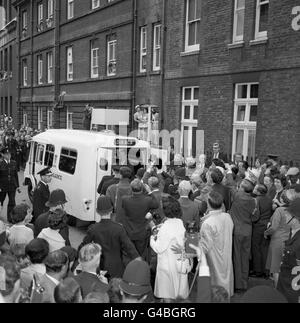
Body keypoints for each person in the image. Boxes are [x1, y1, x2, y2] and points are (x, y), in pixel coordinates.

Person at [78, 196, 140, 279]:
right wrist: (138, 259)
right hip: (117, 268)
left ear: (97, 211)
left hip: (99, 267)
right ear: (111, 210)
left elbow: (83, 246)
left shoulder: (93, 229)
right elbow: (129, 248)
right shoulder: (119, 228)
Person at [150, 195, 189, 301]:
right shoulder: (180, 223)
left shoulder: (165, 227)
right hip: (179, 263)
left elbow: (159, 248)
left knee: (167, 295)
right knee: (178, 293)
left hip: (167, 266)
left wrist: (152, 238)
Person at [198, 191, 234, 297]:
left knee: (216, 285)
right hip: (226, 254)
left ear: (209, 204)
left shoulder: (207, 223)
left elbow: (205, 246)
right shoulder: (227, 217)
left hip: (214, 258)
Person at [264, 189, 300, 287]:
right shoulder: (295, 211)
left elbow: (273, 227)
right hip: (289, 241)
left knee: (276, 269)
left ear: (282, 199)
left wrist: (266, 233)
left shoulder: (279, 210)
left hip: (277, 241)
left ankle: (277, 291)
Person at [121, 179, 159, 259]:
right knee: (140, 255)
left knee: (130, 255)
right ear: (142, 189)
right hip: (142, 233)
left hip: (129, 232)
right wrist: (150, 192)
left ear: (131, 189)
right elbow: (156, 204)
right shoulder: (147, 200)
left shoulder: (125, 199)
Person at [230, 179, 256, 292]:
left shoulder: (237, 196)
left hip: (237, 230)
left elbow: (230, 185)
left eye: (240, 186)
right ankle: (244, 283)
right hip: (248, 230)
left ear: (242, 189)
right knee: (245, 257)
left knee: (237, 256)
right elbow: (255, 217)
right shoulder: (254, 201)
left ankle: (238, 283)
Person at [277, 198, 300, 303]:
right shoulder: (293, 231)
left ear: (295, 218)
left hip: (293, 290)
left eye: (288, 214)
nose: (285, 215)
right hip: (285, 284)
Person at [250, 184, 273, 278]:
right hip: (266, 225)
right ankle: (265, 270)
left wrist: (251, 219)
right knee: (264, 248)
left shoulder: (256, 200)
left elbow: (256, 216)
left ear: (259, 191)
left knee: (256, 249)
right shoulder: (269, 199)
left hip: (258, 226)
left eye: (255, 188)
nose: (253, 189)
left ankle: (258, 271)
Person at [0, 147, 20, 223]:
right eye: (6, 154)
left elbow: (15, 175)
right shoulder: (0, 164)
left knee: (12, 202)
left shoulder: (14, 163)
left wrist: (17, 186)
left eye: (9, 154)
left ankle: (10, 218)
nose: (9, 155)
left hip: (12, 186)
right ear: (2, 154)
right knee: (1, 201)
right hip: (2, 187)